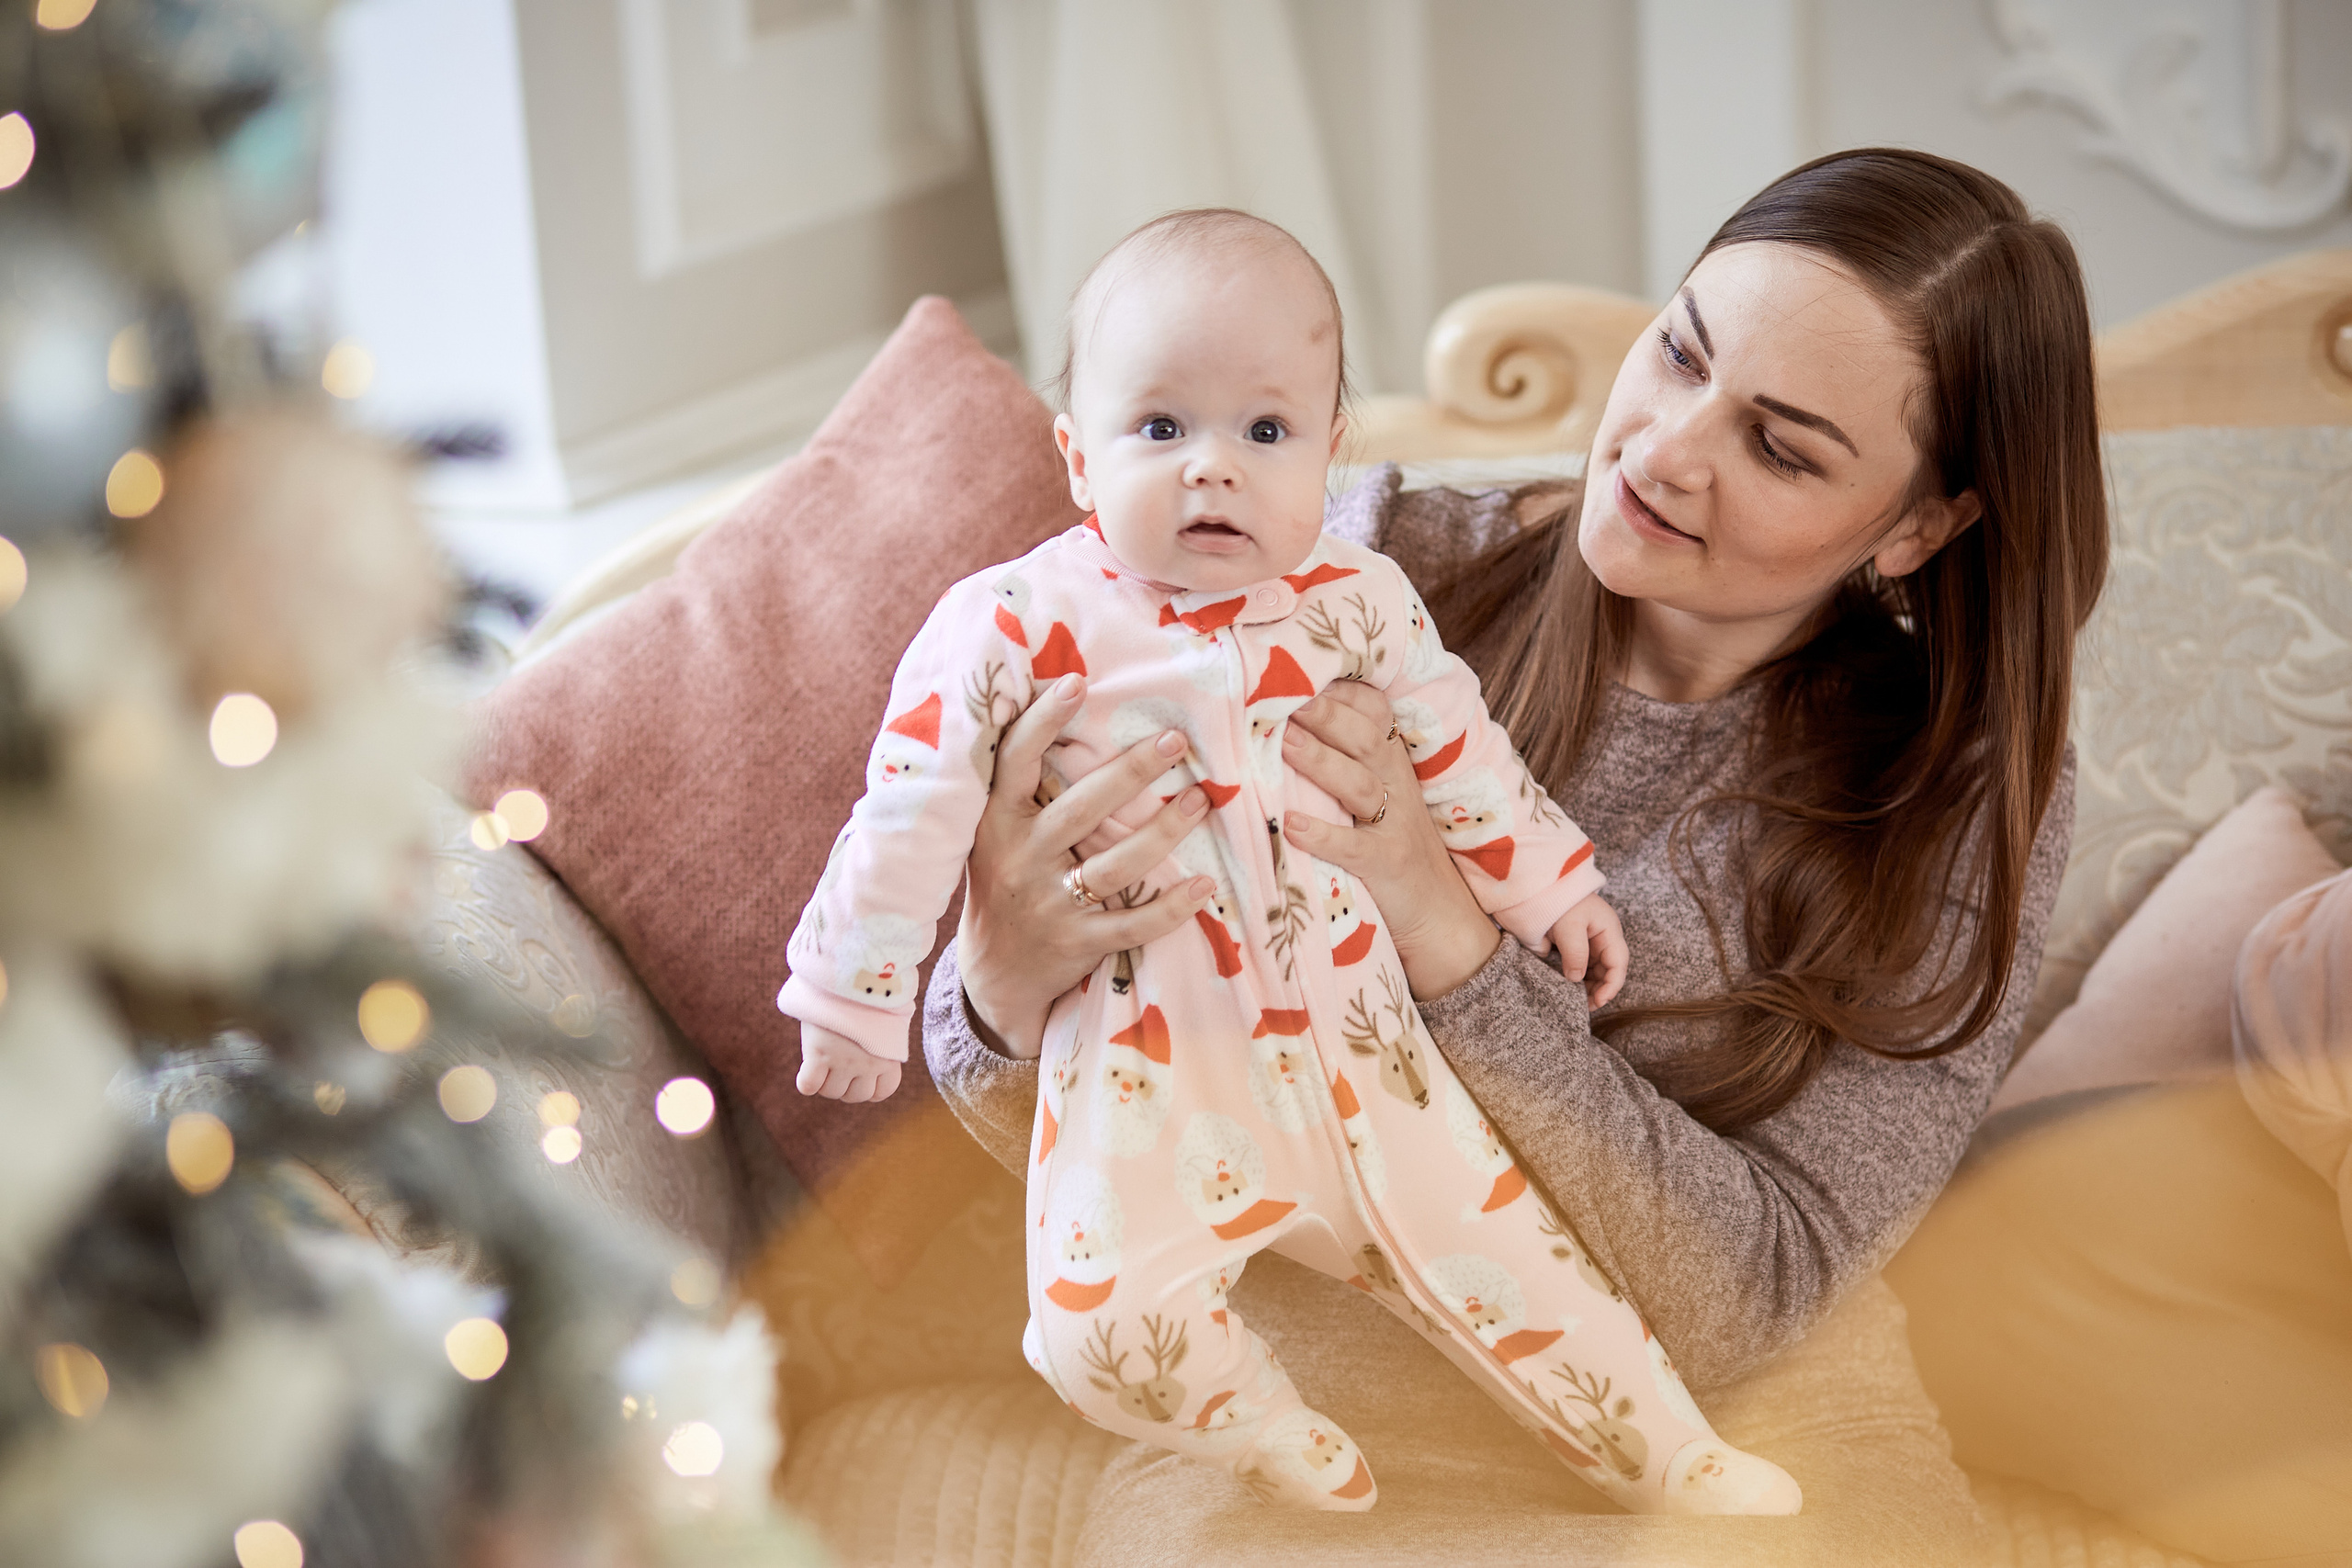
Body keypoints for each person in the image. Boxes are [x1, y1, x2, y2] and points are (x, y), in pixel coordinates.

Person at [922, 149, 2106, 1540]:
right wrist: (998, 987)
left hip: (1755, 1437)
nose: (1665, 448)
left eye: (1778, 447)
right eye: (1678, 352)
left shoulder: (1947, 789)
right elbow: (1105, 1142)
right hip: (1311, 1430)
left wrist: (1449, 932)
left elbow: (1763, 1296)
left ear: (1915, 527)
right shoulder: (1361, 567)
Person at [778, 208, 1803, 1515]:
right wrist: (853, 993)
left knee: (1520, 1272)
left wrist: (1551, 884)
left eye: (1264, 433)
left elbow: (1461, 751)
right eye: (1160, 428)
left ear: (1328, 450)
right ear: (1078, 459)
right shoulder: (1016, 624)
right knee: (1094, 1333)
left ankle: (1670, 1458)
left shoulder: (1358, 596)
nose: (1214, 469)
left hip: (1367, 1054)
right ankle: (1258, 1419)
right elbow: (910, 807)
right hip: (1146, 1072)